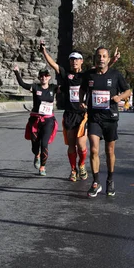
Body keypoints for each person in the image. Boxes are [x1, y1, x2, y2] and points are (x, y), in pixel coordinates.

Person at [79, 46, 131, 198]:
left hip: (110, 117)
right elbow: (82, 89)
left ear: (108, 59)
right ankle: (96, 182)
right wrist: (82, 101)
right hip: (94, 117)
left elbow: (127, 90)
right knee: (94, 149)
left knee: (109, 151)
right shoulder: (89, 75)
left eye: (104, 56)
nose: (101, 58)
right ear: (95, 59)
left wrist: (120, 98)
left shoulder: (115, 75)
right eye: (99, 56)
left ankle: (110, 179)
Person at [40, 43, 89, 182]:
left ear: (81, 61)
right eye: (72, 59)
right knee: (71, 145)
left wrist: (113, 60)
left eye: (77, 59)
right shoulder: (66, 74)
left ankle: (82, 164)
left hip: (82, 114)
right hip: (69, 114)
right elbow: (53, 65)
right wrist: (44, 51)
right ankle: (73, 170)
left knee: (81, 145)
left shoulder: (86, 76)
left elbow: (101, 68)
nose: (74, 61)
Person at [13, 65, 58, 177]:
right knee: (35, 145)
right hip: (35, 120)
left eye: (46, 76)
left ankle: (42, 167)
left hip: (48, 120)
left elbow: (67, 87)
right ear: (39, 77)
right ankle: (36, 155)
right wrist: (17, 72)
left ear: (49, 77)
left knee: (44, 144)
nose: (44, 78)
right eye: (41, 76)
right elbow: (22, 84)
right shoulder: (35, 87)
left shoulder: (53, 88)